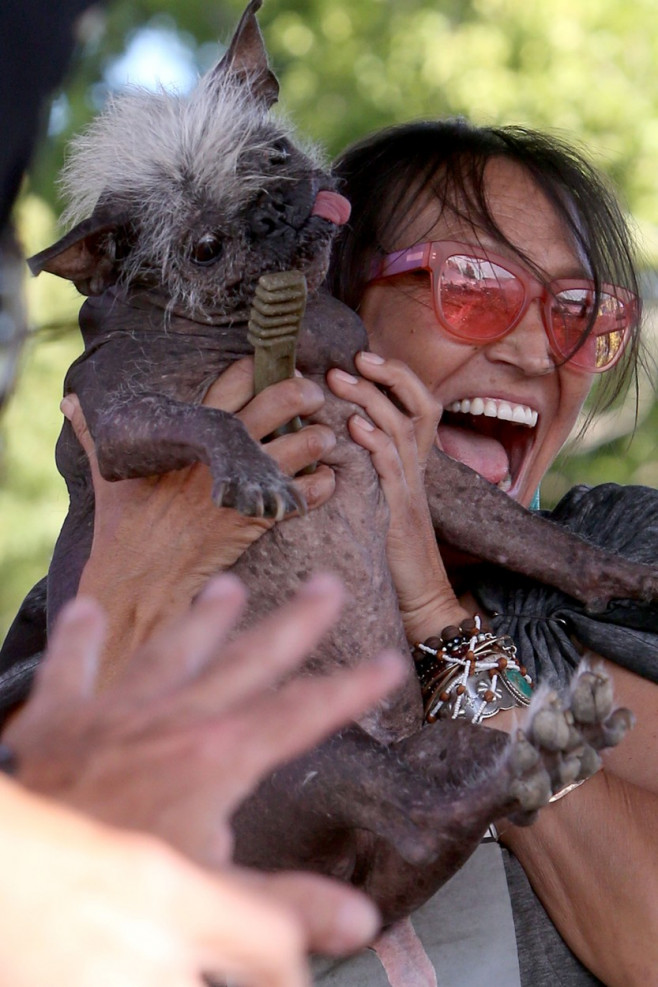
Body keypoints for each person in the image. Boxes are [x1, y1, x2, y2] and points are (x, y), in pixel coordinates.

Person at [57, 118, 658, 986]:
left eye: (576, 314)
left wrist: (439, 620)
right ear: (325, 296)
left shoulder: (616, 565)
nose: (536, 351)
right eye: (474, 288)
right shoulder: (115, 565)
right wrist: (135, 592)